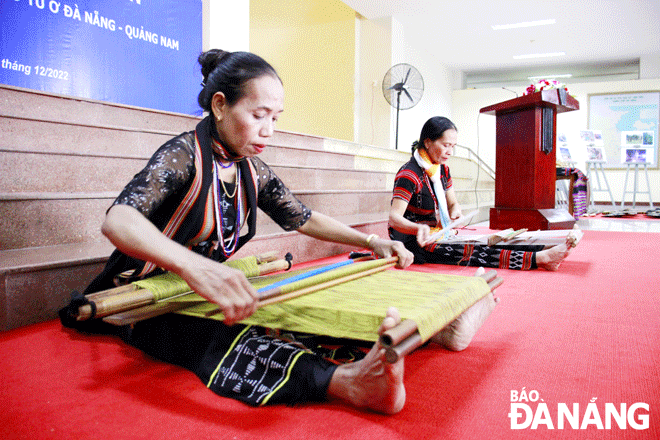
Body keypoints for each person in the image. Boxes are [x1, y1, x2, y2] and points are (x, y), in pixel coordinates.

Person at [59, 50, 492, 415]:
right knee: (219, 334)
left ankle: (432, 329)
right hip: (143, 294)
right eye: (258, 114)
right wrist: (193, 268)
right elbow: (118, 219)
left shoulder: (249, 166)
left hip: (194, 285)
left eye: (276, 117)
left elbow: (302, 217)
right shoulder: (182, 155)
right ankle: (347, 382)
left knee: (290, 301)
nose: (269, 129)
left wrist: (371, 240)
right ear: (220, 105)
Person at [389, 116, 577, 272]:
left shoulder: (442, 170)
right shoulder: (409, 174)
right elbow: (394, 219)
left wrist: (455, 212)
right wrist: (417, 229)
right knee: (468, 251)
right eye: (446, 145)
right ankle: (540, 258)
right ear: (428, 142)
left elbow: (453, 203)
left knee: (487, 242)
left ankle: (543, 248)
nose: (450, 152)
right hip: (412, 241)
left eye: (453, 146)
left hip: (436, 233)